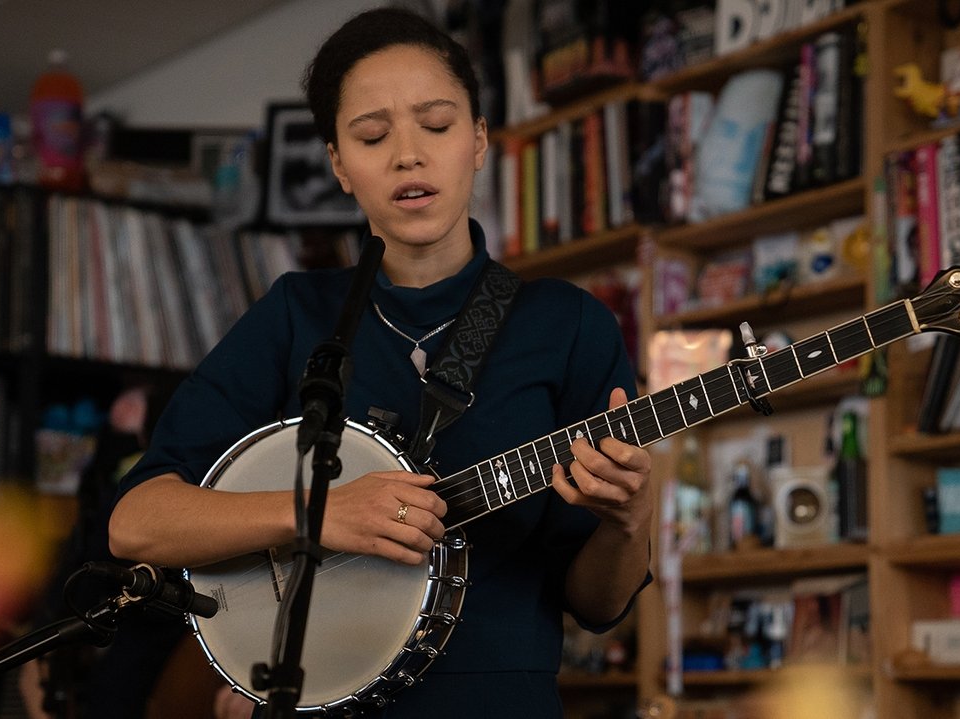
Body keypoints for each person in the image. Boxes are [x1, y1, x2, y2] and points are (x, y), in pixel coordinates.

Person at [108, 8, 653, 718]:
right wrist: (319, 513)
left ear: (480, 140)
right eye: (372, 134)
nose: (408, 155)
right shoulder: (296, 315)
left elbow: (598, 604)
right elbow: (136, 523)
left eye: (437, 124)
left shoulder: (567, 323)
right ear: (339, 162)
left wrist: (629, 521)